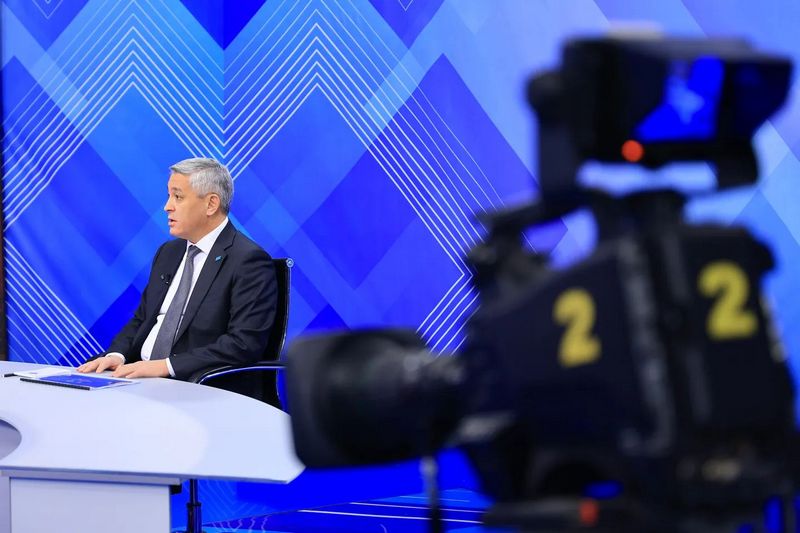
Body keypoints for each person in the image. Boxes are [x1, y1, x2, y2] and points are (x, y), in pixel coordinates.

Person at [78, 158, 276, 381]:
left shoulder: (248, 261)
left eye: (178, 197)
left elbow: (243, 343)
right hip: (141, 378)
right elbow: (142, 319)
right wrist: (117, 355)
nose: (167, 206)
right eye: (169, 196)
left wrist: (166, 366)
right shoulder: (169, 253)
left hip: (198, 385)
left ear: (211, 204)